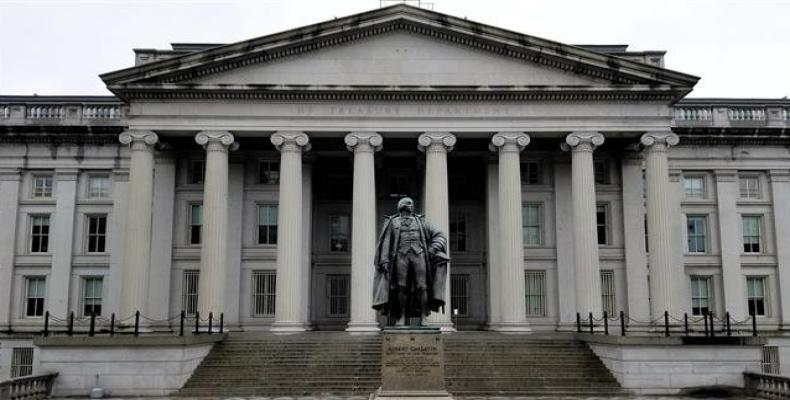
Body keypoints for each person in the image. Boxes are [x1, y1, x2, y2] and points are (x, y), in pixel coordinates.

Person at [372, 197, 449, 326]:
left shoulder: (422, 221)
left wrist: (432, 249)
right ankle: (401, 317)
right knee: (401, 287)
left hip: (419, 255)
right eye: (409, 203)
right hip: (401, 256)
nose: (412, 205)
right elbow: (386, 242)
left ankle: (424, 317)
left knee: (422, 287)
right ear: (401, 206)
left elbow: (440, 235)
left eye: (413, 203)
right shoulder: (393, 222)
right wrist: (384, 259)